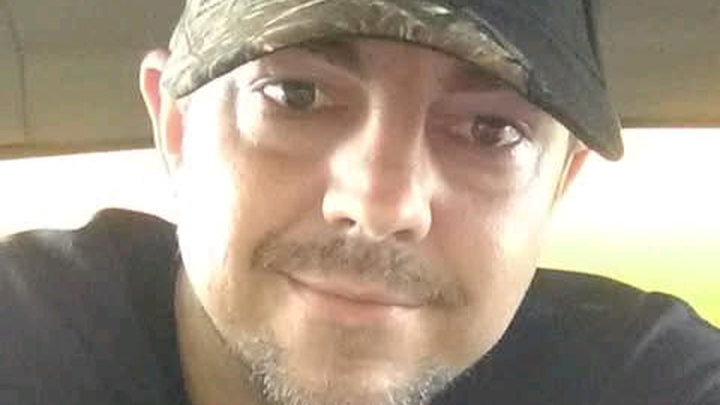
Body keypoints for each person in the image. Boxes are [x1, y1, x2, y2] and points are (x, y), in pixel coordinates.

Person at [1, 0, 719, 404]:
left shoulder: (642, 378)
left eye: (490, 130)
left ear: (559, 184)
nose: (381, 204)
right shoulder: (26, 338)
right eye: (296, 95)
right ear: (177, 128)